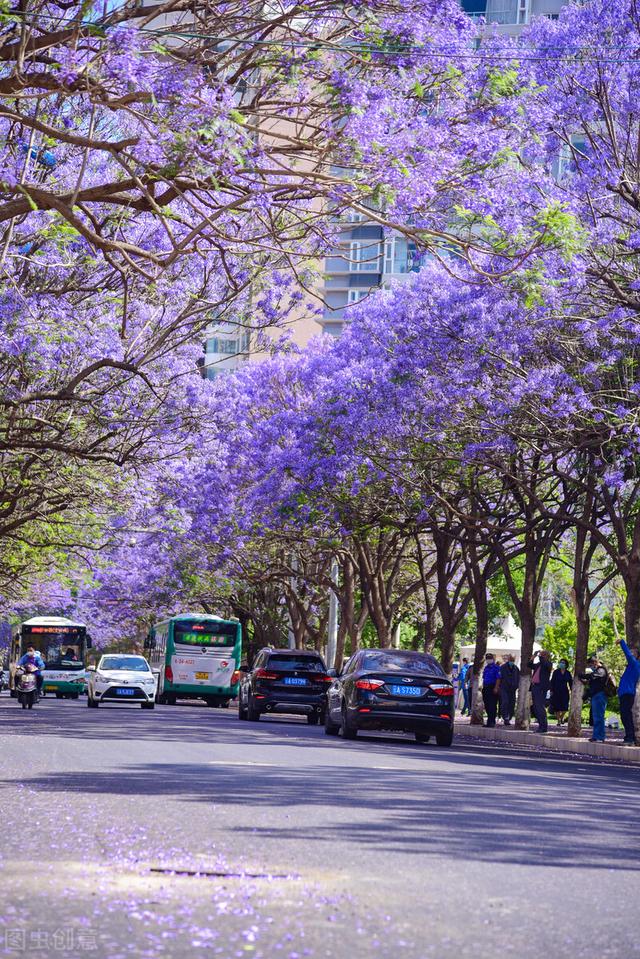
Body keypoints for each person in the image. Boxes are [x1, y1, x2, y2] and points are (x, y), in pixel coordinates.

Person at [580, 655, 609, 743]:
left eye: (590, 665)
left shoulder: (601, 670)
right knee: (596, 717)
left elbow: (592, 676)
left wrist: (584, 675)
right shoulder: (598, 670)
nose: (590, 667)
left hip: (600, 696)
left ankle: (600, 737)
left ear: (594, 663)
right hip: (595, 696)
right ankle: (596, 736)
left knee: (599, 717)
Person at [617, 639, 640, 744]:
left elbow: (628, 654)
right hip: (626, 693)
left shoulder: (635, 664)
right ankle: (629, 737)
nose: (631, 654)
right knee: (625, 715)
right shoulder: (632, 665)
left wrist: (622, 642)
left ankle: (630, 738)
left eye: (633, 653)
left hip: (627, 693)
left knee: (626, 716)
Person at [528, 649, 552, 733]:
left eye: (544, 654)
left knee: (540, 707)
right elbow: (529, 664)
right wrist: (534, 656)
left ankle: (543, 727)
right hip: (535, 687)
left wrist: (541, 656)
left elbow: (544, 662)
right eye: (542, 654)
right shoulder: (538, 664)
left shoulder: (548, 664)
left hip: (541, 688)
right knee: (536, 707)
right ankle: (540, 726)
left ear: (547, 656)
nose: (541, 656)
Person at [549, 658, 573, 726]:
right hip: (556, 691)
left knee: (565, 707)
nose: (561, 664)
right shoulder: (556, 672)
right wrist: (551, 690)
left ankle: (562, 717)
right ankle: (559, 720)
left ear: (566, 665)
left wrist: (572, 690)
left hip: (564, 691)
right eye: (560, 662)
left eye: (563, 663)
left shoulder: (568, 673)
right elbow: (552, 681)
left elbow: (571, 682)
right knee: (556, 707)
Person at [499, 654, 520, 725]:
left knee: (512, 703)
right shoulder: (503, 667)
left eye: (513, 660)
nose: (512, 661)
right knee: (505, 702)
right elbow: (500, 678)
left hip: (512, 689)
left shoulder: (516, 668)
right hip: (504, 688)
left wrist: (516, 686)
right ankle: (505, 717)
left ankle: (509, 717)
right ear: (508, 659)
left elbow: (518, 678)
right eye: (511, 660)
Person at [482, 653, 501, 728]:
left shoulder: (496, 668)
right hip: (486, 687)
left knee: (492, 705)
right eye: (487, 658)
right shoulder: (486, 668)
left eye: (489, 658)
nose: (488, 659)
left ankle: (492, 721)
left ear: (493, 659)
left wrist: (496, 687)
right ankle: (489, 721)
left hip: (493, 687)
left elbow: (498, 678)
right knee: (487, 705)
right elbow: (484, 678)